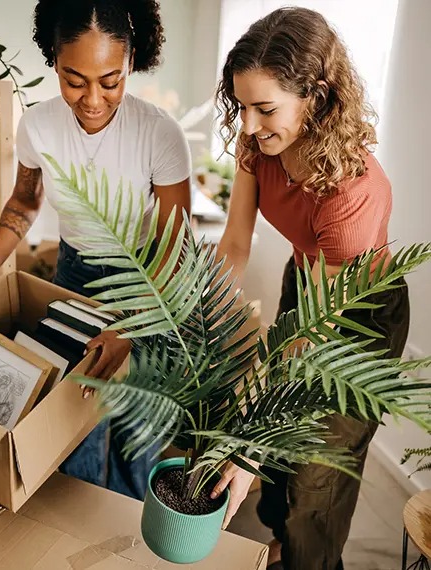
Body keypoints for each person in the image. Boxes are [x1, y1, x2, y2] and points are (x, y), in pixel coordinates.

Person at [0, 0, 191, 500]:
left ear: (132, 61)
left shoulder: (159, 134)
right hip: (74, 275)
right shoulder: (39, 126)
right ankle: (77, 531)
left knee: (136, 427)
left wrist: (130, 326)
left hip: (147, 286)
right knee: (74, 420)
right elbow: (24, 201)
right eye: (73, 79)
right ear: (54, 61)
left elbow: (176, 247)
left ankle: (129, 536)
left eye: (110, 80)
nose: (91, 98)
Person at [208, 7, 409, 570]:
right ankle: (281, 545)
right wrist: (205, 324)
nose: (247, 125)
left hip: (359, 316)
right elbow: (234, 247)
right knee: (279, 459)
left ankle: (311, 557)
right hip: (309, 282)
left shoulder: (355, 195)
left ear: (316, 97)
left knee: (317, 464)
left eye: (265, 109)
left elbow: (309, 341)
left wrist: (245, 445)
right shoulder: (258, 145)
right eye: (242, 106)